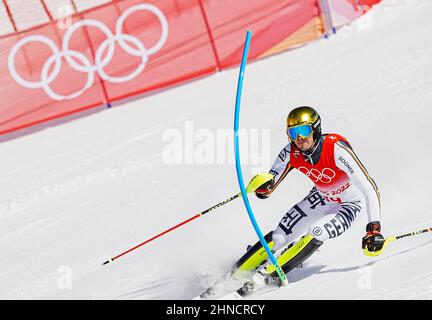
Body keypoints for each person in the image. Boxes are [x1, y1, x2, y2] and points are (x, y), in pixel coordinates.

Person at [231, 106, 385, 289]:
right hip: (322, 197)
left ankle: (267, 276)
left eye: (303, 131)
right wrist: (262, 187)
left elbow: (369, 187)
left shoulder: (335, 149)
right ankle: (234, 273)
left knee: (317, 231)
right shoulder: (290, 152)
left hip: (350, 204)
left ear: (315, 129)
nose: (299, 139)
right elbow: (270, 184)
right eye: (293, 133)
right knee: (280, 236)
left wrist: (374, 228)